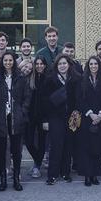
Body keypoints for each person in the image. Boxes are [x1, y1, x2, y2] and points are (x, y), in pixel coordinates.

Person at [0, 51, 29, 192]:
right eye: (5, 60)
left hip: (16, 117)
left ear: (14, 62)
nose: (8, 62)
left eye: (10, 60)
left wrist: (22, 111)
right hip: (2, 118)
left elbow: (27, 97)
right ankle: (3, 179)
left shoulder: (21, 77)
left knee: (16, 150)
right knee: (2, 150)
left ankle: (16, 178)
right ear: (2, 62)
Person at [43, 55, 78, 184]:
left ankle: (65, 173)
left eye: (64, 63)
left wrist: (75, 115)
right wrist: (46, 119)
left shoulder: (75, 79)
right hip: (55, 117)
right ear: (56, 66)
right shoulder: (50, 80)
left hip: (71, 117)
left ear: (69, 65)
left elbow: (77, 99)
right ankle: (52, 174)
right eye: (60, 64)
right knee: (56, 146)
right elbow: (45, 101)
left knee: (68, 146)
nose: (62, 66)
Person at [77, 56, 101, 186]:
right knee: (86, 148)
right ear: (88, 66)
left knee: (97, 148)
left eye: (95, 64)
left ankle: (95, 175)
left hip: (100, 120)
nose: (93, 66)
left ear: (99, 66)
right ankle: (87, 175)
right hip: (87, 119)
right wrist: (90, 114)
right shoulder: (82, 80)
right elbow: (79, 99)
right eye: (91, 64)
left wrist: (100, 115)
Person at [25, 57, 49, 178]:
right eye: (37, 64)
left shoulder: (48, 79)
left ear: (45, 65)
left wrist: (46, 119)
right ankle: (38, 161)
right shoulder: (31, 77)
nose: (39, 66)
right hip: (30, 116)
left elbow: (48, 101)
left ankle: (36, 167)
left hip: (43, 117)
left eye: (41, 64)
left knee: (41, 142)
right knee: (28, 141)